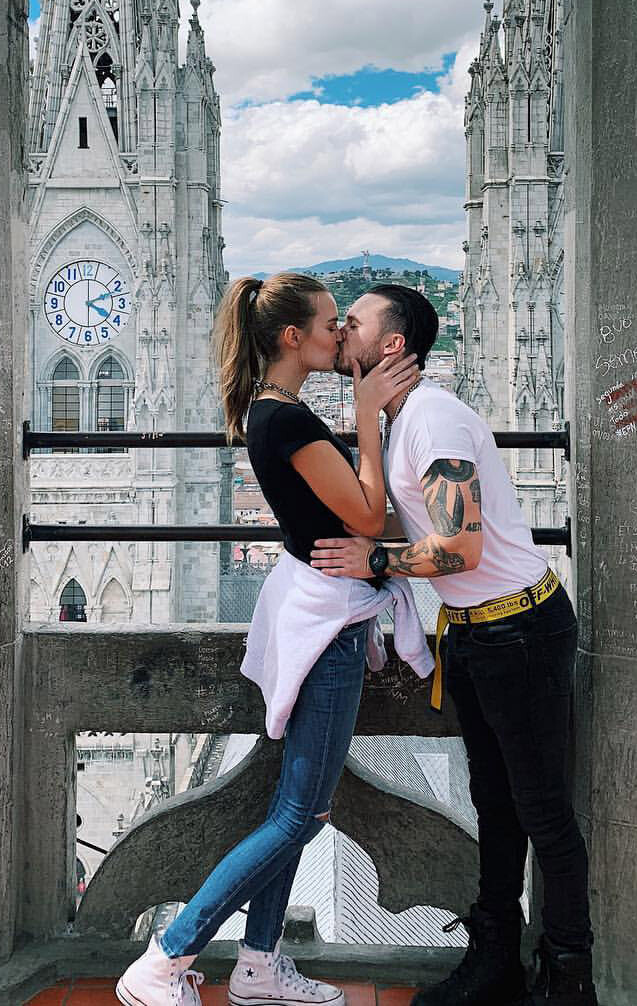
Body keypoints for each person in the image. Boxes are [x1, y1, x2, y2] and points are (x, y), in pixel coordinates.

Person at [115, 272, 429, 1006]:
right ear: (292, 337)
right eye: (329, 323)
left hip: (317, 611)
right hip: (328, 625)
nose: (339, 334)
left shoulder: (272, 410)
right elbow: (367, 517)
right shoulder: (287, 421)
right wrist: (368, 416)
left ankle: (258, 965)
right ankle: (166, 957)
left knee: (296, 809)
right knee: (300, 815)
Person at [310, 284, 596, 1006]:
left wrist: (374, 561)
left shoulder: (432, 419)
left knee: (542, 813)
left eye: (354, 322)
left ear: (392, 346)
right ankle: (495, 959)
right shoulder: (400, 419)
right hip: (476, 632)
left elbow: (459, 547)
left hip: (519, 632)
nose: (341, 329)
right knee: (495, 805)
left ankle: (569, 980)